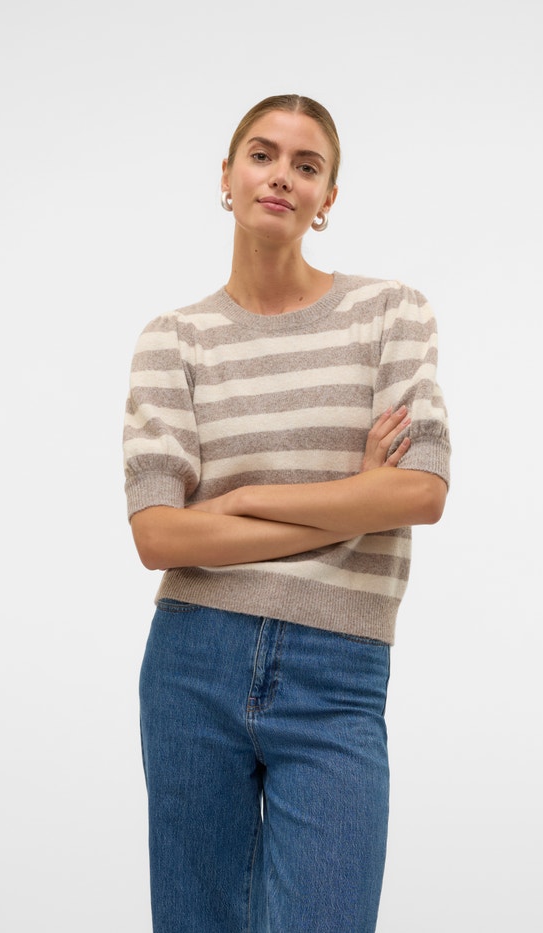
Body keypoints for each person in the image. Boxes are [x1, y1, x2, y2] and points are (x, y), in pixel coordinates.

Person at [123, 93, 451, 933]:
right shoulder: (174, 339)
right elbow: (158, 534)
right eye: (262, 155)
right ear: (227, 176)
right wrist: (352, 502)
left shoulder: (390, 312)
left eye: (307, 166)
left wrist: (241, 500)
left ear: (327, 197)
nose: (281, 176)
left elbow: (420, 491)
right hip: (193, 662)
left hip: (338, 671)